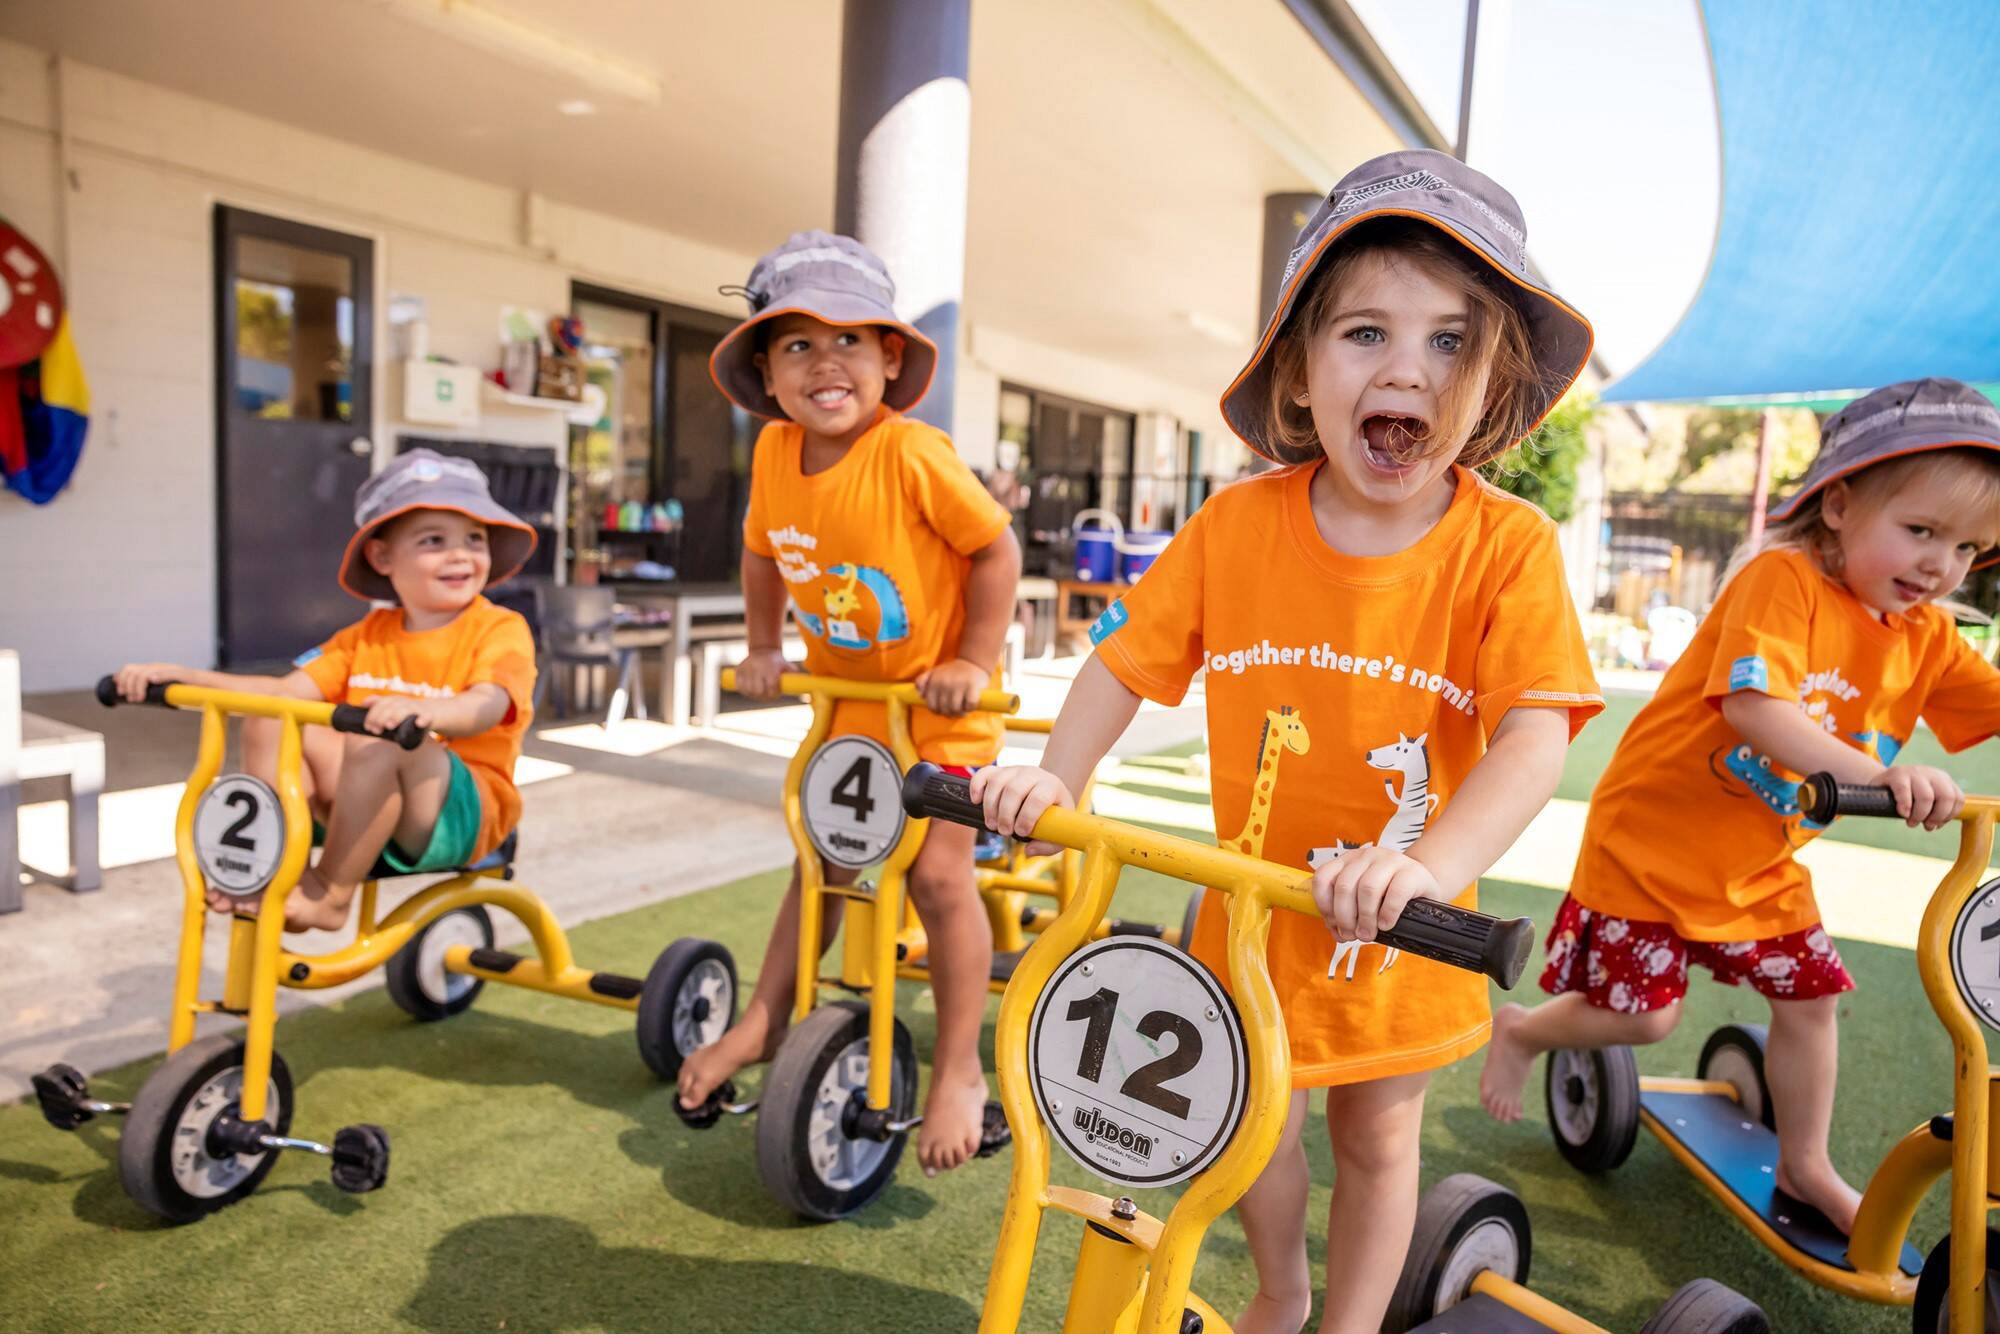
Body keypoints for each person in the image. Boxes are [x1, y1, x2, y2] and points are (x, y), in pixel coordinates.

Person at [973, 151, 1602, 1333]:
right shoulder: (1236, 523)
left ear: (1489, 388)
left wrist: (1426, 867)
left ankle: (1351, 1323)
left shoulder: (1503, 547)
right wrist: (1054, 773)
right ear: (1301, 373)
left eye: (1450, 343)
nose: (1406, 367)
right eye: (1365, 332)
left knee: (1376, 1131)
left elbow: (1530, 735)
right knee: (1242, 1115)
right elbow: (1123, 662)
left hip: (1397, 920)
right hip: (1249, 907)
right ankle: (1281, 1285)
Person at [1481, 377, 2000, 1236]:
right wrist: (1889, 778)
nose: (1942, 565)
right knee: (1646, 1017)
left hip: (1758, 863)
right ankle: (1528, 1031)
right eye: (1922, 531)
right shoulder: (1781, 579)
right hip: (1653, 839)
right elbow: (1757, 710)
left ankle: (1804, 1166)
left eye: (1971, 550)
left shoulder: (1928, 637)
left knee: (1811, 1001)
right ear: (1837, 503)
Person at [679, 231, 1024, 1176]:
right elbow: (760, 551)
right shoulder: (774, 452)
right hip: (848, 710)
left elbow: (996, 551)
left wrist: (970, 659)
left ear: (890, 360)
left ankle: (959, 1069)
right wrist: (761, 644)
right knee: (820, 861)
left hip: (940, 708)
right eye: (797, 344)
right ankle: (760, 1018)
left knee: (939, 877)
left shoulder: (911, 451)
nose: (825, 362)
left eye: (850, 341)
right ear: (765, 370)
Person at [114, 448, 539, 931]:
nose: (460, 554)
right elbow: (281, 692)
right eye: (434, 540)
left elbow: (486, 704)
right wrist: (186, 677)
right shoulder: (368, 634)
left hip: (456, 815)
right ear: (382, 557)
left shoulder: (500, 629)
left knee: (380, 736)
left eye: (475, 538)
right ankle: (279, 869)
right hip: (367, 797)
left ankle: (330, 894)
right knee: (272, 716)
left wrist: (425, 712)